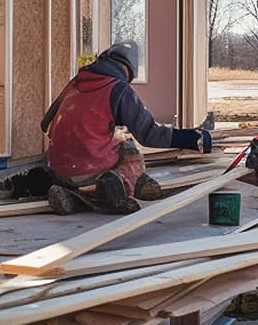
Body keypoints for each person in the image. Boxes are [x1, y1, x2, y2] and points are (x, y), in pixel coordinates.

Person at [40, 41, 212, 215]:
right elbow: (149, 135)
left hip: (58, 168)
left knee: (106, 144)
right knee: (127, 145)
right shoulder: (118, 89)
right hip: (89, 170)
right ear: (128, 71)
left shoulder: (75, 83)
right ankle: (125, 185)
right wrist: (192, 139)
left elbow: (45, 124)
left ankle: (71, 196)